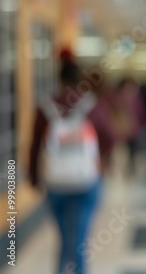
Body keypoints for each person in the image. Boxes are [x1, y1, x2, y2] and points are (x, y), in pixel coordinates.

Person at [29, 51, 103, 274]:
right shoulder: (90, 105)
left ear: (59, 79)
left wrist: (33, 177)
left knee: (64, 239)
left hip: (55, 181)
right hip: (86, 180)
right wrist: (101, 161)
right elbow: (110, 135)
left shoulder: (45, 106)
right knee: (79, 240)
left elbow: (34, 145)